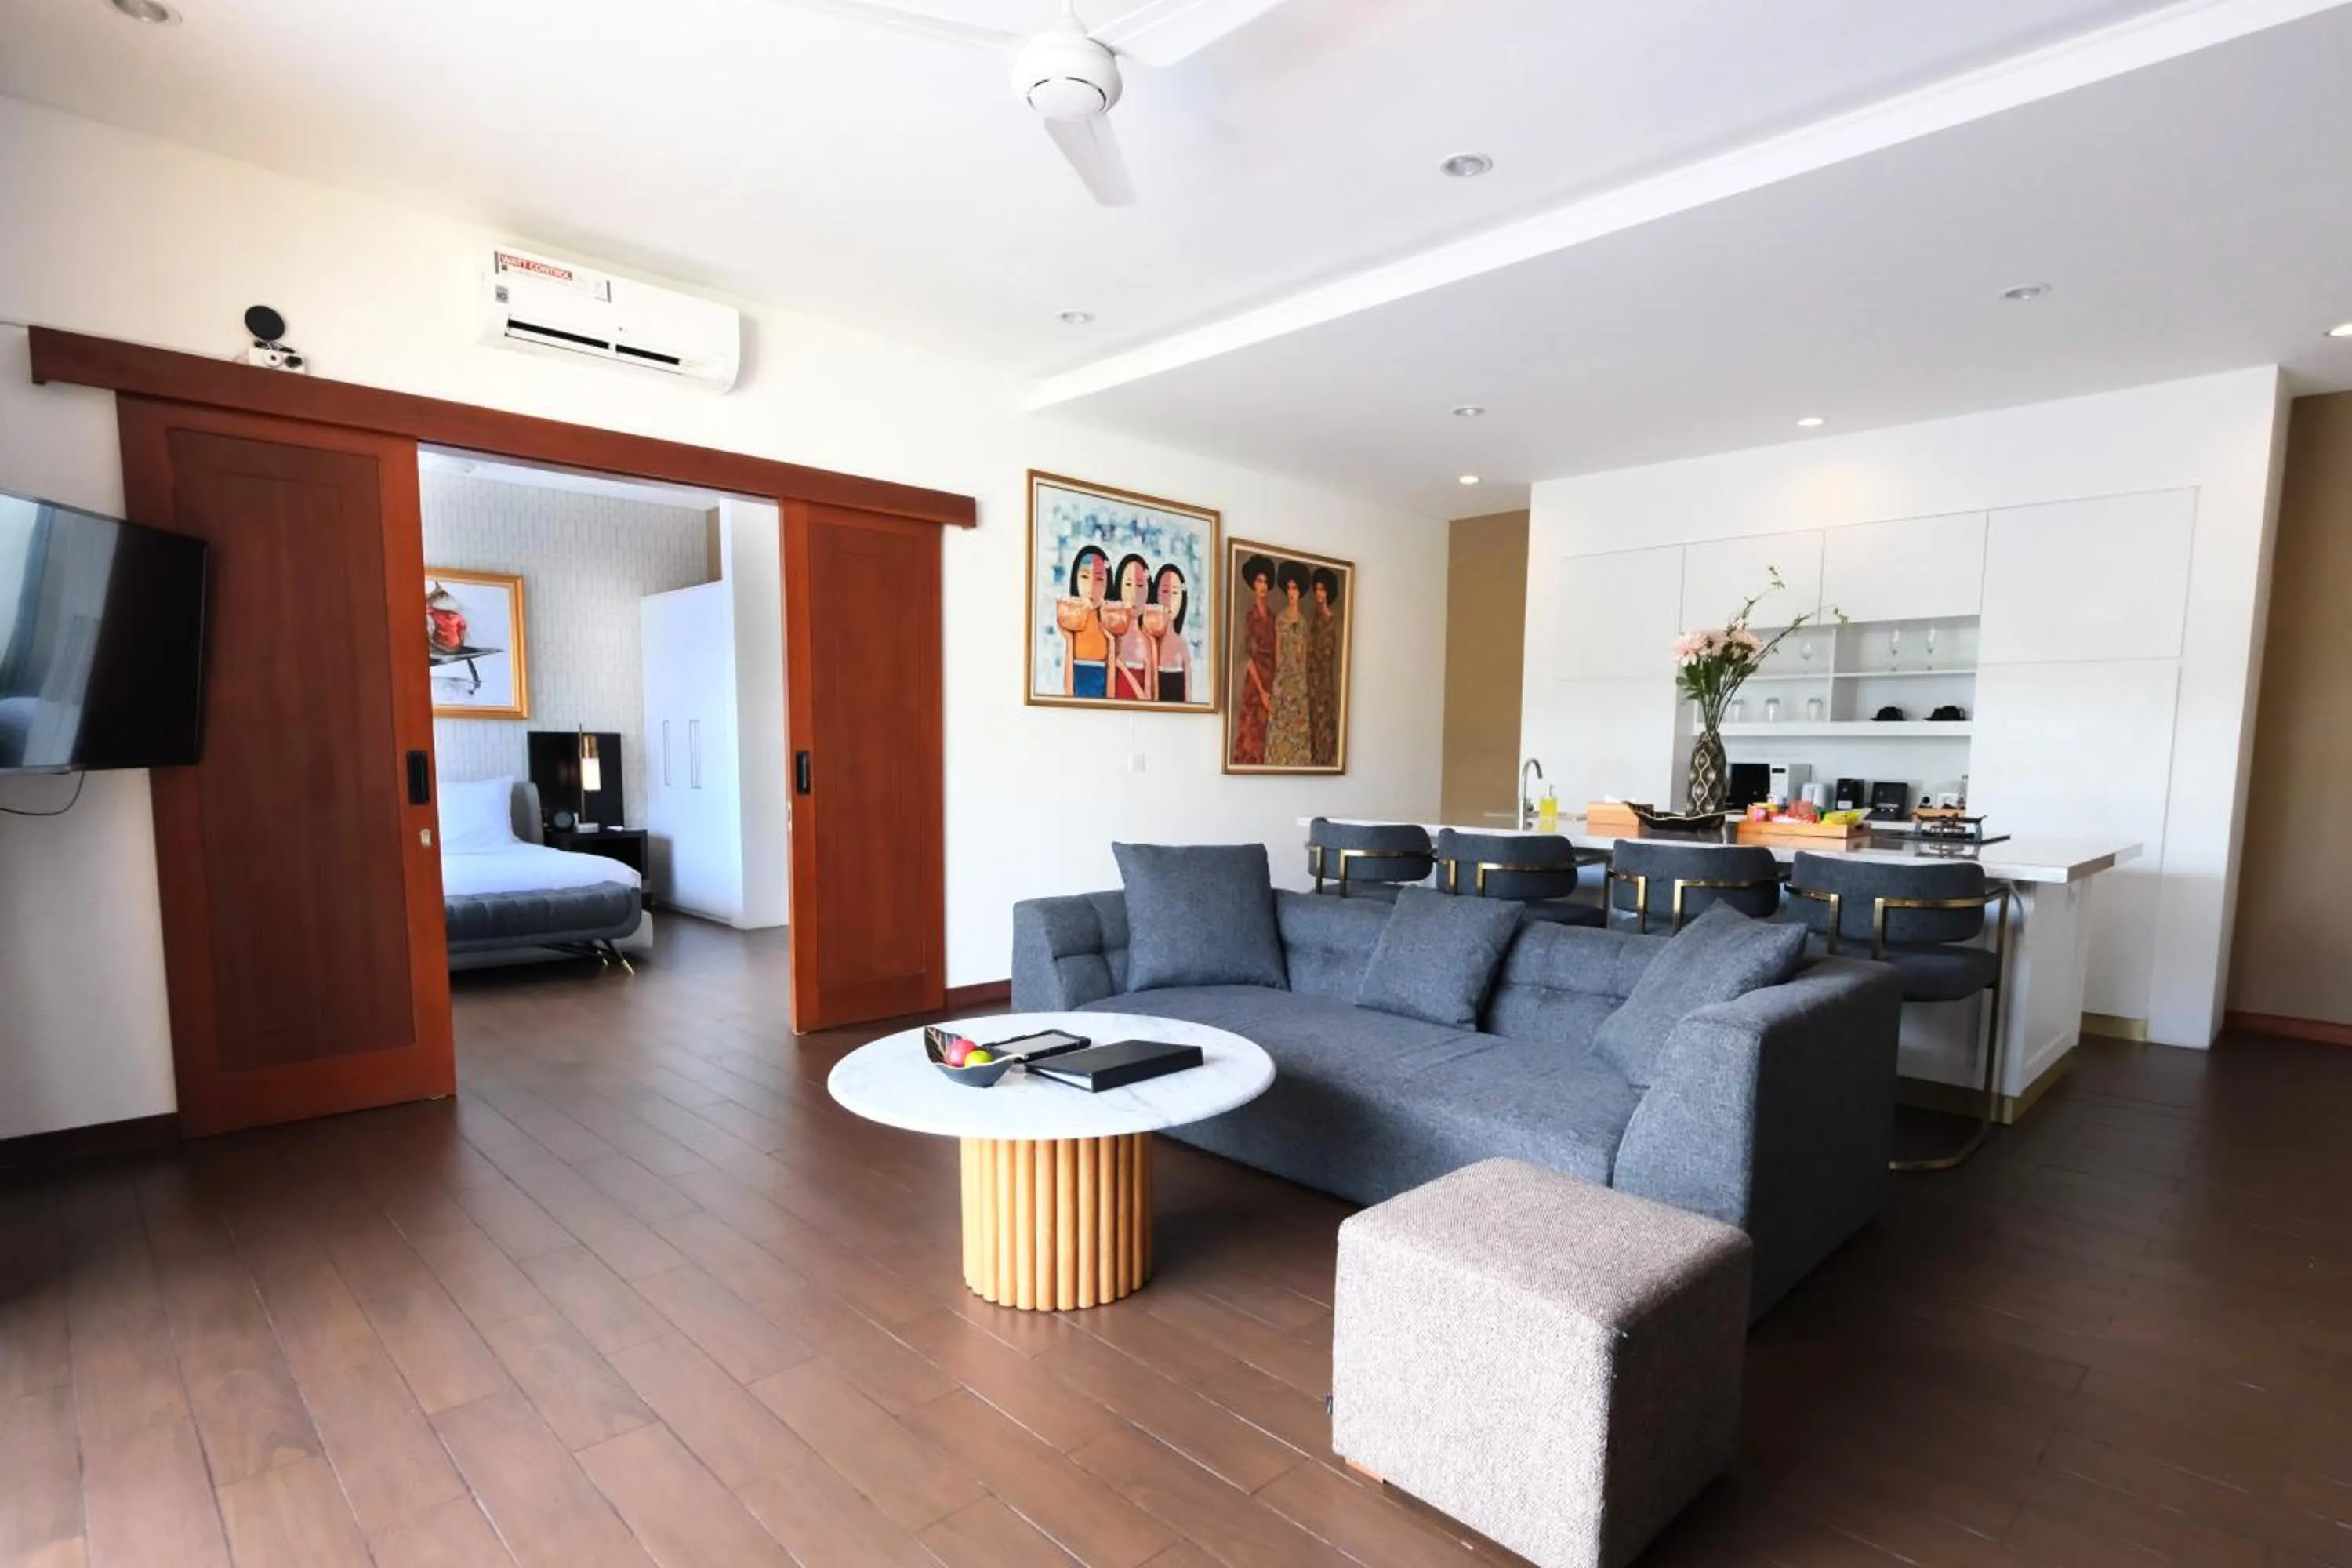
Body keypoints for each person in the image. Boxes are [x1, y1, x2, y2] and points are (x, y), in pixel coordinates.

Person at [1265, 561, 1314, 768]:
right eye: (1289, 588)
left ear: (1301, 591)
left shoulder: (1303, 623)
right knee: (1280, 728)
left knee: (1298, 730)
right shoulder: (1280, 619)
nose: (1292, 592)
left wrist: (1302, 684)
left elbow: (1303, 656)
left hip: (1299, 684)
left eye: (1296, 588)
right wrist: (1277, 682)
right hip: (1283, 681)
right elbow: (1278, 652)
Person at [1232, 554, 1277, 763]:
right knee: (1252, 736)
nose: (1263, 586)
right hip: (1255, 682)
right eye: (1259, 581)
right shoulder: (1250, 617)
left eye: (1266, 582)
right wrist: (1261, 692)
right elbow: (1248, 657)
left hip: (1273, 678)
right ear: (1253, 585)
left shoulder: (1273, 617)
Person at [1055, 546, 1111, 699]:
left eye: (1099, 579)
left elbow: (1112, 692)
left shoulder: (1110, 621)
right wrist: (1069, 639)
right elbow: (1068, 691)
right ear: (1075, 579)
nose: (1092, 587)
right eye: (1085, 577)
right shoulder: (1071, 619)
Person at [1107, 553, 1157, 702]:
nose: (1134, 593)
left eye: (1141, 586)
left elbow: (1147, 700)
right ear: (1119, 588)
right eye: (1128, 584)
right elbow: (1108, 697)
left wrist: (1122, 667)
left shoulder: (1148, 642)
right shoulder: (1112, 636)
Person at [1308, 566, 1342, 767]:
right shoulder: (1315, 618)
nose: (1319, 593)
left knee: (1323, 721)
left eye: (1322, 589)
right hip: (1312, 679)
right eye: (1317, 589)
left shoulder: (1330, 622)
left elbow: (1325, 654)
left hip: (1323, 681)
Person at [1146, 563, 1192, 705]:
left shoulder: (1182, 646)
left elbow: (1188, 697)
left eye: (1175, 593)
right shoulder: (1147, 641)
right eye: (1165, 591)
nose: (1170, 600)